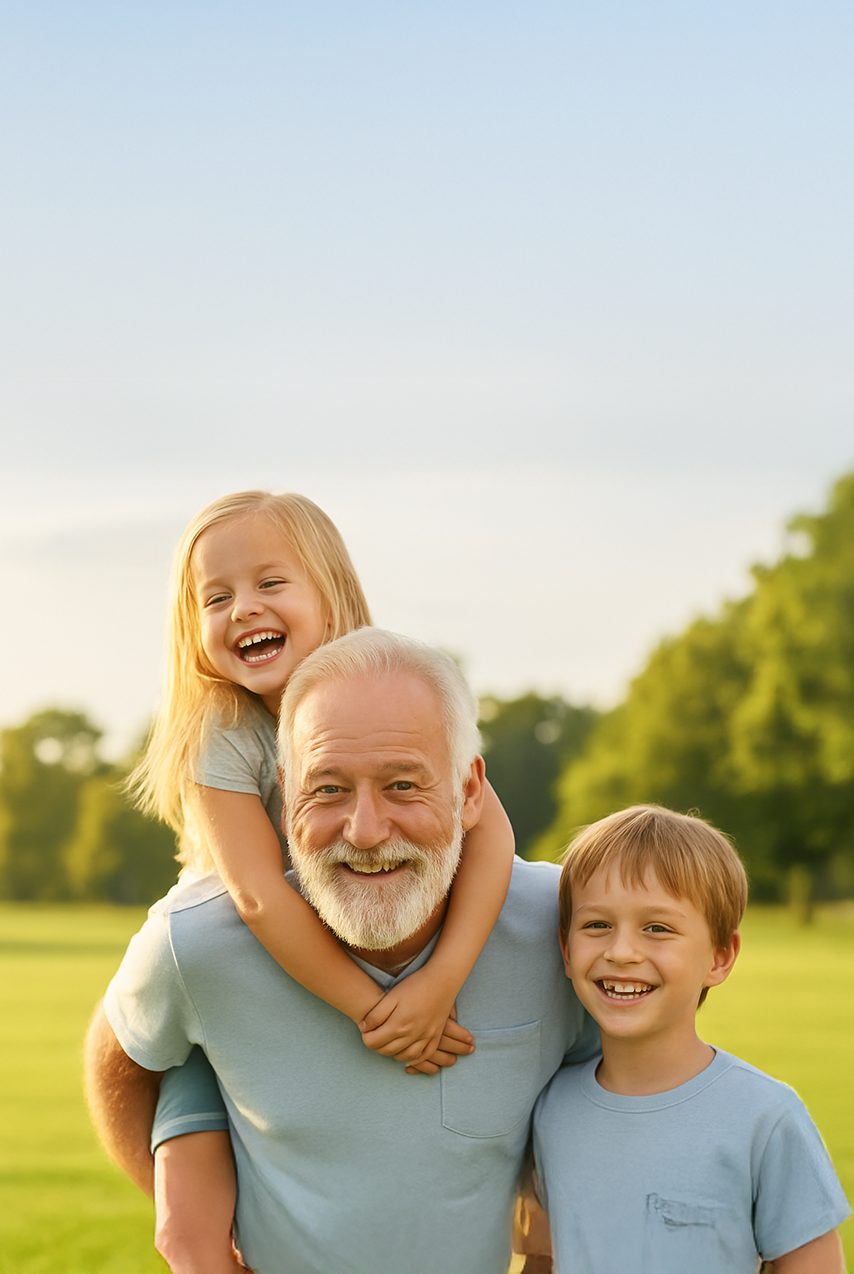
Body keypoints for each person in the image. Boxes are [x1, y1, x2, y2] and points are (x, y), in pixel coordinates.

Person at [87, 627, 593, 1274]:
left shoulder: (562, 927)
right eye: (327, 789)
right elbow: (119, 1064)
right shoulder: (195, 943)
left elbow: (615, 1093)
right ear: (285, 789)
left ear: (469, 793)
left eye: (403, 786)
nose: (365, 831)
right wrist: (203, 1247)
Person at [123, 493, 519, 1269]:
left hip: (345, 939)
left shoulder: (392, 696)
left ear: (332, 596)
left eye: (271, 584)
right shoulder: (223, 731)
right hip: (232, 993)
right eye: (216, 597)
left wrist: (441, 981)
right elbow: (258, 895)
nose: (244, 610)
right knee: (190, 1234)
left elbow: (492, 834)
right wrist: (377, 1012)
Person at [531, 806, 851, 1273]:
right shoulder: (550, 1108)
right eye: (597, 925)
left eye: (657, 928)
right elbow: (541, 1255)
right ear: (565, 947)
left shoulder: (766, 1118)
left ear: (720, 957)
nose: (621, 952)